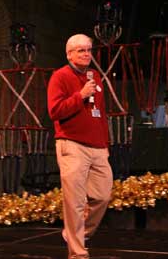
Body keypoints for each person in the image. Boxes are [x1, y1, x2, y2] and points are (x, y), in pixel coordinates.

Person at [47, 34, 113, 259]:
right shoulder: (60, 77)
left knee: (102, 196)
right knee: (75, 203)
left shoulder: (95, 76)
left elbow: (101, 114)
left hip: (98, 147)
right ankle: (78, 254)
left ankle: (77, 233)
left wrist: (106, 144)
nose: (86, 54)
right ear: (69, 54)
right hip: (72, 145)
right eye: (80, 50)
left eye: (88, 50)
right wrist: (81, 95)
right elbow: (55, 111)